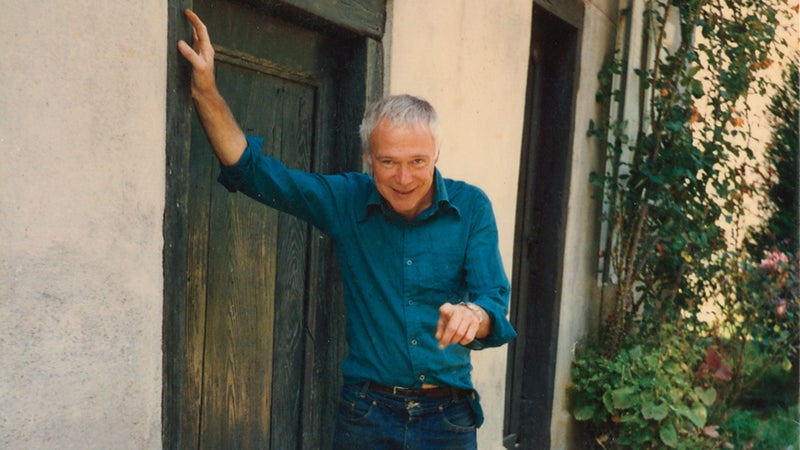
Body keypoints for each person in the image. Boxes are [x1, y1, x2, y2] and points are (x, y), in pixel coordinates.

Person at [178, 9, 516, 449]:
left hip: (447, 418)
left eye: (418, 161)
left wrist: (476, 316)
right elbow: (253, 172)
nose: (404, 178)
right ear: (368, 158)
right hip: (368, 415)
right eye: (388, 162)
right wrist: (205, 89)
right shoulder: (346, 200)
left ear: (437, 153)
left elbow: (493, 302)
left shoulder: (471, 207)